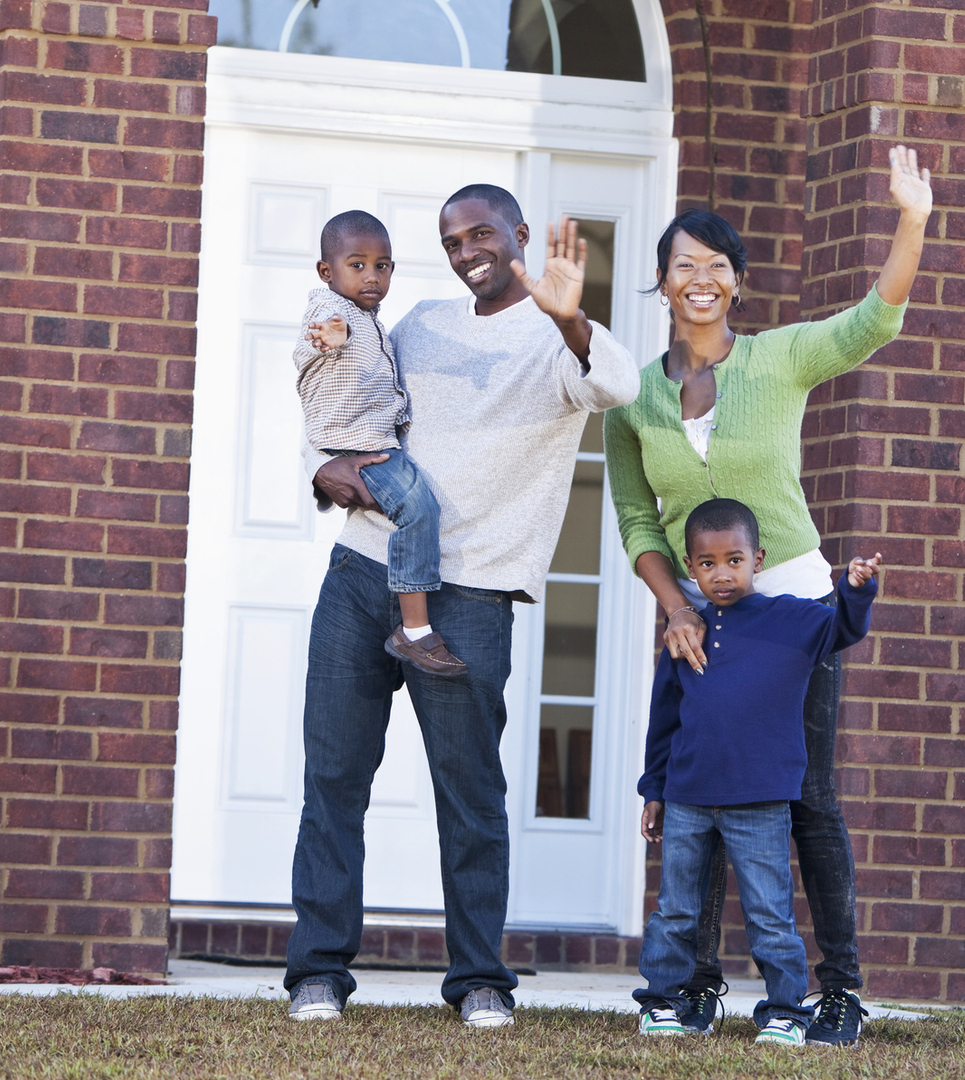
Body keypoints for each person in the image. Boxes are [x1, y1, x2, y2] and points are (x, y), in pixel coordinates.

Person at [284, 185, 639, 1027]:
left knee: (470, 793)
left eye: (482, 233)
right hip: (364, 576)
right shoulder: (418, 324)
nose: (467, 250)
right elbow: (351, 405)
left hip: (471, 595)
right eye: (452, 239)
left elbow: (617, 384)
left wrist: (571, 319)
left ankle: (480, 977)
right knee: (334, 778)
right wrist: (326, 474)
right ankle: (318, 973)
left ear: (518, 234)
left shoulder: (557, 340)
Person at [603, 144, 931, 1047]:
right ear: (662, 284)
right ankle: (698, 987)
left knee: (808, 798)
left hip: (788, 607)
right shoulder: (632, 399)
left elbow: (875, 321)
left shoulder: (779, 359)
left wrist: (912, 219)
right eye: (684, 266)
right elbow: (637, 519)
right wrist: (675, 608)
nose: (699, 280)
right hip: (697, 614)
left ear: (736, 284)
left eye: (716, 267)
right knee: (698, 790)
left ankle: (839, 992)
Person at [634, 498, 880, 1046]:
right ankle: (661, 1002)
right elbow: (664, 720)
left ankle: (785, 1011)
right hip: (690, 798)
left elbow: (843, 628)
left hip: (762, 801)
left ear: (758, 559)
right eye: (706, 563)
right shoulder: (687, 630)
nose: (721, 573)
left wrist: (857, 589)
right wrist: (654, 789)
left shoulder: (790, 619)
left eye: (734, 559)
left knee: (771, 914)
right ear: (690, 566)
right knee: (676, 909)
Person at [294, 210, 464, 678]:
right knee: (419, 508)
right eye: (358, 265)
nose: (372, 276)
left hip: (368, 443)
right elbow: (318, 336)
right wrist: (330, 335)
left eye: (383, 265)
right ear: (327, 272)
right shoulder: (333, 310)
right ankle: (414, 631)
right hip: (358, 446)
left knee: (414, 506)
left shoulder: (374, 320)